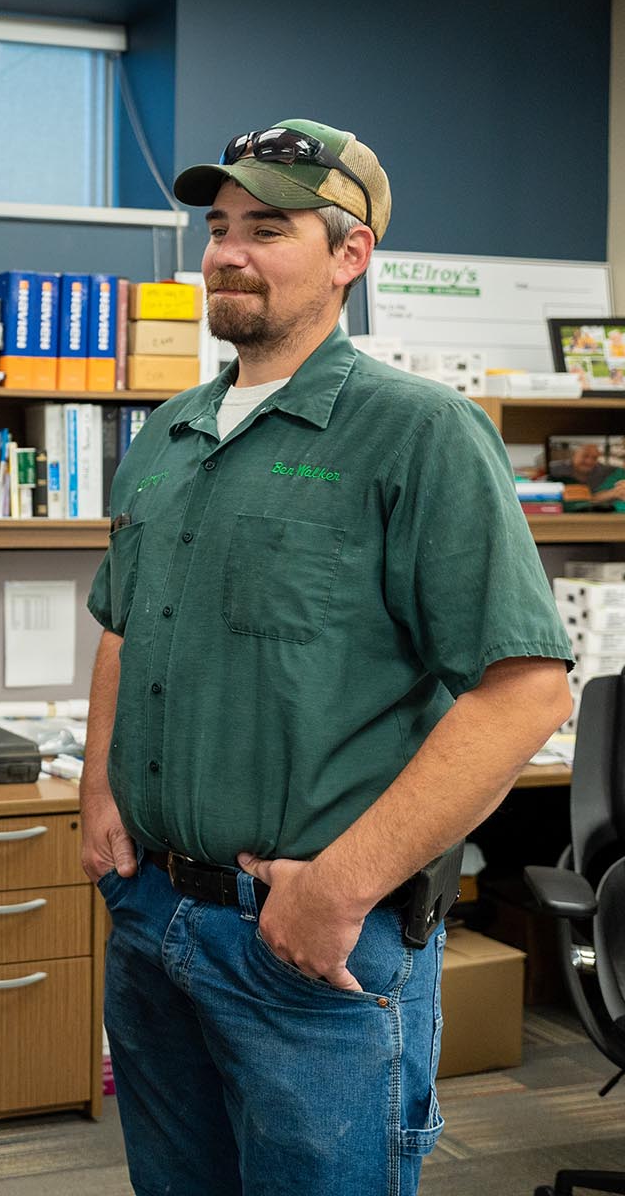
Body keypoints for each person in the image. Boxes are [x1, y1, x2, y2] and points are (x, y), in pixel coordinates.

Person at [81, 118, 573, 1196]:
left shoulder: (420, 433)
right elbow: (124, 620)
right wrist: (96, 786)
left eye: (269, 227)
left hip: (305, 941)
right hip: (155, 920)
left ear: (350, 255)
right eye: (218, 227)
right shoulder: (169, 434)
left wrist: (340, 890)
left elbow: (526, 690)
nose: (228, 251)